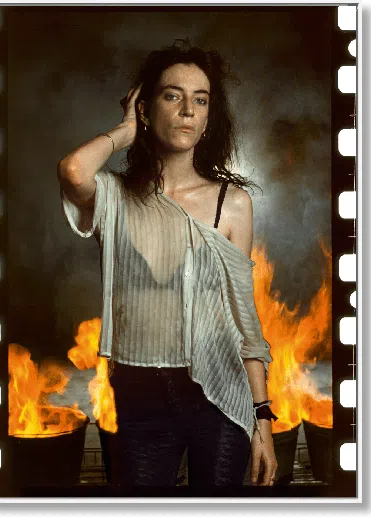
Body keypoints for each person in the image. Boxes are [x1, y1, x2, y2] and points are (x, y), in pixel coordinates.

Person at [58, 41, 278, 489]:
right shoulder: (115, 197)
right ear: (145, 108)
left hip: (220, 398)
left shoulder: (232, 203)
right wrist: (125, 130)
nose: (188, 111)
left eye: (201, 100)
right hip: (140, 398)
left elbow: (245, 320)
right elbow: (74, 171)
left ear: (209, 117)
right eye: (172, 96)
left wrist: (262, 421)